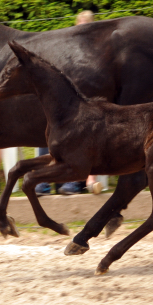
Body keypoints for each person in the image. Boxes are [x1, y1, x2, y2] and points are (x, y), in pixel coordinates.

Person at [34, 10, 103, 196]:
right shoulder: (67, 52)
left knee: (75, 133)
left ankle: (72, 183)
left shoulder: (99, 53)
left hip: (86, 109)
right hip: (65, 106)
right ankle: (43, 181)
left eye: (85, 29)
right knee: (46, 128)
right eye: (78, 30)